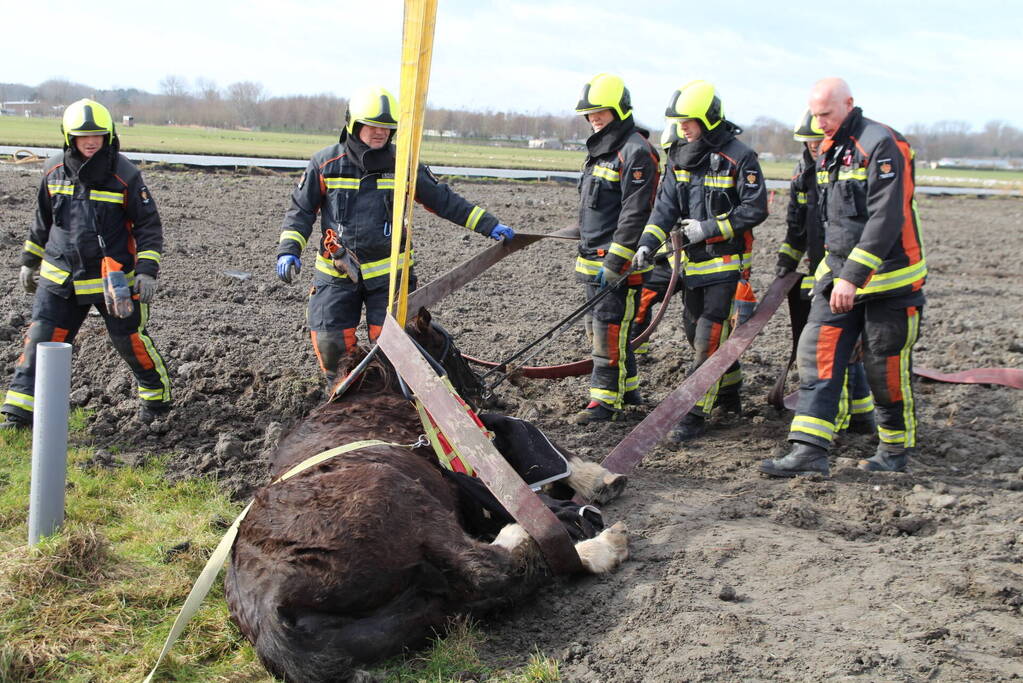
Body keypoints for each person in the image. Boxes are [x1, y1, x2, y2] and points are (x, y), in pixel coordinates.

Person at [276, 86, 516, 388]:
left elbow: (444, 201)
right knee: (331, 345)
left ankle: (392, 400)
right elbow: (301, 210)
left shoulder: (403, 166)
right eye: (373, 126)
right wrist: (289, 249)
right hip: (337, 274)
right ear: (354, 125)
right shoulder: (325, 164)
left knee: (394, 350)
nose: (381, 133)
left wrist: (489, 225)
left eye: (387, 128)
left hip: (391, 279)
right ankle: (346, 400)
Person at [760, 78, 926, 477]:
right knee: (816, 355)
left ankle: (893, 452)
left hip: (889, 283)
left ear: (849, 104)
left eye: (826, 114)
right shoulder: (829, 150)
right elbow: (828, 221)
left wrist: (853, 276)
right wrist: (825, 271)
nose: (820, 124)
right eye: (815, 116)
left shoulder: (882, 144)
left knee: (884, 371)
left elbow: (886, 217)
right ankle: (808, 451)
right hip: (837, 280)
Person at [1, 99, 171, 430]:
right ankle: (19, 412)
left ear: (109, 136)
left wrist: (147, 271)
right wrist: (29, 262)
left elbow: (148, 226)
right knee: (41, 339)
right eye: (83, 136)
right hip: (60, 277)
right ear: (69, 137)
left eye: (97, 135)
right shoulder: (53, 171)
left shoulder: (126, 175)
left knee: (129, 341)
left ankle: (156, 402)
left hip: (114, 281)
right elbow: (42, 221)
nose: (91, 141)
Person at [634, 80, 767, 442]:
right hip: (692, 267)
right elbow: (665, 207)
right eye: (679, 122)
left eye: (688, 121)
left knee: (709, 336)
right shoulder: (680, 155)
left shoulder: (740, 157)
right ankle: (729, 392)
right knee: (697, 333)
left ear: (708, 119)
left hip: (726, 266)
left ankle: (693, 415)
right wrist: (647, 244)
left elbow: (755, 208)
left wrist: (708, 229)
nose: (682, 128)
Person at [776, 109, 876, 435]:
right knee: (841, 347)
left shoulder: (846, 167)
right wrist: (787, 259)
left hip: (851, 270)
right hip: (822, 268)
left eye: (817, 140)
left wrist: (853, 272)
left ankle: (841, 421)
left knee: (837, 347)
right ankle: (861, 417)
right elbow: (797, 221)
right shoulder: (804, 172)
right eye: (808, 142)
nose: (813, 146)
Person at [571, 73, 660, 424]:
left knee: (609, 330)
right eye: (590, 113)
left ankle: (604, 402)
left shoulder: (636, 152)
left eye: (601, 111)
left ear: (619, 111)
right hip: (592, 258)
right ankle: (629, 389)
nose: (594, 118)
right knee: (599, 329)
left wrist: (615, 261)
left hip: (616, 264)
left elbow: (636, 212)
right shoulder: (601, 149)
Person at [630, 123, 685, 361]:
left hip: (697, 261)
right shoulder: (669, 179)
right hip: (669, 259)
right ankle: (637, 350)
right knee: (643, 296)